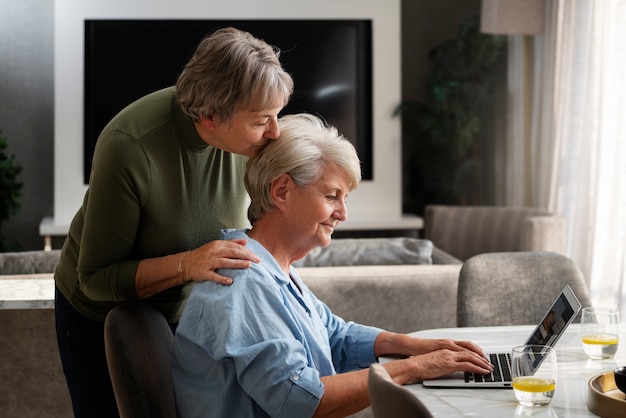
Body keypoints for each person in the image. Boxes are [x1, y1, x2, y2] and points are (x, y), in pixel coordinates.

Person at [171, 113, 493, 418]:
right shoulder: (241, 281)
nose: (343, 213)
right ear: (282, 191)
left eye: (344, 199)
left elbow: (336, 336)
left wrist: (415, 346)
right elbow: (300, 401)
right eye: (331, 196)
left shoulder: (273, 268)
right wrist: (415, 368)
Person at [53, 27, 294, 418]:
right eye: (262, 120)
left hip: (187, 311)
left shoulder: (249, 138)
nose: (275, 132)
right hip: (99, 315)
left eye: (277, 115)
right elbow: (95, 278)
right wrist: (187, 263)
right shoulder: (130, 146)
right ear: (211, 116)